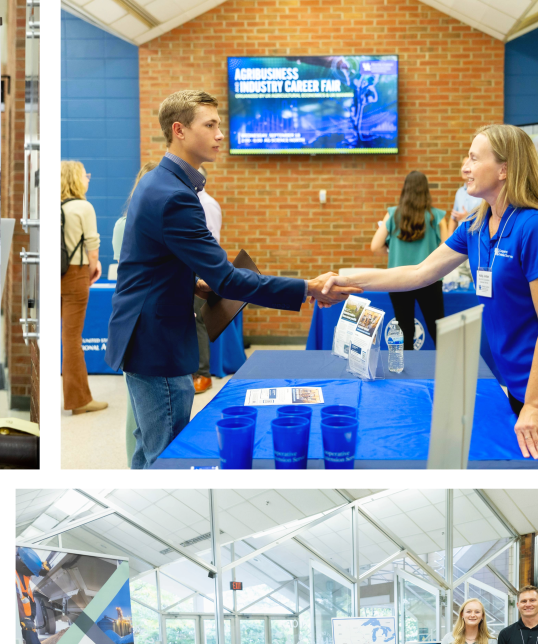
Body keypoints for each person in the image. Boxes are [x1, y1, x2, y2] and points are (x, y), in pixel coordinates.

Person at [108, 89, 355, 469]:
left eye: (219, 125)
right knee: (166, 454)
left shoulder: (155, 181)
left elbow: (149, 266)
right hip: (156, 344)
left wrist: (192, 283)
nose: (220, 134)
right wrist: (306, 288)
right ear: (179, 131)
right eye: (210, 126)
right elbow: (226, 279)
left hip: (143, 335)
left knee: (147, 449)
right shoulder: (175, 196)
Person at [329, 125, 538, 468]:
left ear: (504, 170)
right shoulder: (476, 224)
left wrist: (534, 404)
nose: (464, 168)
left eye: (473, 158)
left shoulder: (535, 228)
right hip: (517, 382)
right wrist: (343, 278)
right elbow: (417, 273)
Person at [368, 171, 447, 351]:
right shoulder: (437, 217)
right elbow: (447, 249)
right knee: (438, 331)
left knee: (405, 332)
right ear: (426, 191)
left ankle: (407, 375)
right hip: (430, 279)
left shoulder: (392, 215)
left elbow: (375, 246)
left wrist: (393, 251)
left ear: (405, 190)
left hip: (398, 280)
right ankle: (447, 373)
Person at [61, 160, 106, 414]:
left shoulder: (53, 206)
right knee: (72, 340)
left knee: (59, 338)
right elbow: (92, 248)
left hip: (54, 275)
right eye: (85, 174)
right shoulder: (83, 207)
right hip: (76, 275)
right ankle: (80, 401)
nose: (88, 178)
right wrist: (92, 270)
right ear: (77, 179)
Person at [192, 165, 224, 394]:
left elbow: (210, 244)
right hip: (188, 270)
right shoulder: (188, 201)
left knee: (199, 322)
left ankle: (203, 374)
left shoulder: (206, 204)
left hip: (201, 272)